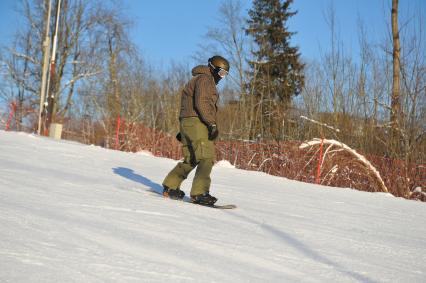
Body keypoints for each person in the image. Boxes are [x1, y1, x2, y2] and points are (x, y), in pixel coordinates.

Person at [162, 55, 230, 205]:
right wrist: (211, 124)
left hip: (189, 122)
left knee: (192, 158)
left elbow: (189, 105)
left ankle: (170, 185)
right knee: (206, 157)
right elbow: (202, 103)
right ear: (213, 68)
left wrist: (185, 128)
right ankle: (199, 193)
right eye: (221, 73)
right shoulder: (206, 80)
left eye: (225, 75)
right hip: (198, 122)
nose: (222, 78)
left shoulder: (197, 80)